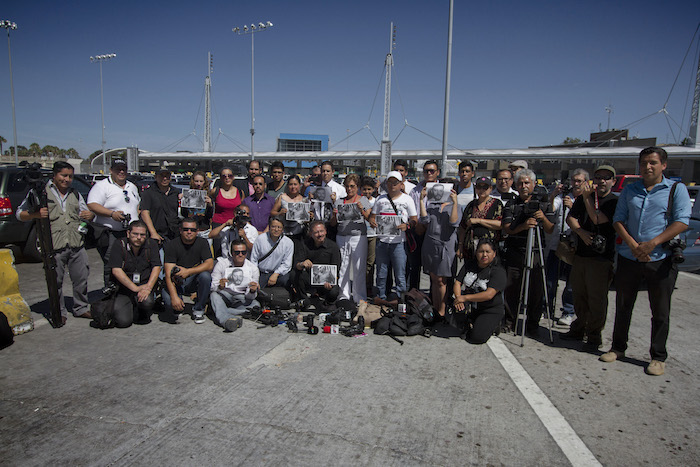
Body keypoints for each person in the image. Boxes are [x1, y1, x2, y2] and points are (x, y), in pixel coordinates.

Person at [601, 147, 691, 376]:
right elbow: (618, 219)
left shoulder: (675, 190)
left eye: (652, 162)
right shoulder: (631, 190)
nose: (647, 167)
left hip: (660, 258)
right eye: (643, 163)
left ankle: (658, 356)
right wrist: (633, 245)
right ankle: (618, 348)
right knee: (623, 305)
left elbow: (681, 222)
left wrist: (652, 243)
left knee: (660, 311)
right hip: (629, 257)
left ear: (663, 165)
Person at [16, 161, 95, 324]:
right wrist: (34, 215)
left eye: (70, 176)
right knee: (55, 280)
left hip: (76, 243)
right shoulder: (40, 192)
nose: (67, 179)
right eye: (64, 175)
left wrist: (90, 215)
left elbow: (84, 211)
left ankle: (81, 308)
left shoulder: (75, 193)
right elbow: (19, 214)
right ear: (55, 175)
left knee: (81, 277)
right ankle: (59, 311)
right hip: (54, 245)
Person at [561, 165, 618, 350]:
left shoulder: (612, 201)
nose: (601, 181)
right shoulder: (585, 198)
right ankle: (578, 328)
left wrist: (585, 198)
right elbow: (571, 217)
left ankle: (594, 335)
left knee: (597, 299)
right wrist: (580, 232)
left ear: (613, 181)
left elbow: (597, 219)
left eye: (606, 178)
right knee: (579, 295)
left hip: (601, 259)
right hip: (581, 255)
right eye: (598, 177)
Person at [502, 169, 555, 336]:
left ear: (533, 184)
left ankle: (532, 324)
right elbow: (507, 229)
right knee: (512, 288)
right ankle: (510, 321)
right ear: (516, 185)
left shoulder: (544, 203)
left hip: (536, 251)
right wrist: (523, 227)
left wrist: (542, 217)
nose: (524, 186)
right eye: (520, 183)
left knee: (535, 290)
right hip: (516, 251)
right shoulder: (511, 203)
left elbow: (550, 229)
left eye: (527, 183)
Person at [87, 159, 141, 285]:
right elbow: (92, 205)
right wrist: (112, 214)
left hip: (130, 233)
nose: (121, 172)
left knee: (130, 262)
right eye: (118, 169)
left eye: (124, 169)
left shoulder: (131, 186)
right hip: (111, 234)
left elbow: (137, 205)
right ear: (111, 170)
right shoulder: (102, 186)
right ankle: (110, 291)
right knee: (112, 263)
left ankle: (126, 291)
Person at [545, 169, 588, 326]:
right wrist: (553, 194)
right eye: (573, 180)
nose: (575, 184)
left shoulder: (587, 200)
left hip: (575, 246)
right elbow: (551, 209)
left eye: (579, 181)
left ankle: (568, 311)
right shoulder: (563, 197)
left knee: (571, 283)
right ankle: (546, 307)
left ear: (585, 183)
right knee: (550, 279)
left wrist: (574, 206)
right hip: (557, 244)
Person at [371, 171, 418, 302]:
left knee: (400, 275)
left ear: (401, 184)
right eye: (390, 182)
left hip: (399, 242)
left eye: (395, 182)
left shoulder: (407, 199)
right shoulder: (380, 199)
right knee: (381, 273)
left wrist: (407, 225)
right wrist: (372, 222)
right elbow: (372, 217)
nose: (392, 185)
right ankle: (381, 298)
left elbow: (414, 219)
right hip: (382, 242)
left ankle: (401, 299)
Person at [107, 220, 161, 327]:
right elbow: (116, 270)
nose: (139, 238)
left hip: (144, 285)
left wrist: (148, 288)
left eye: (142, 235)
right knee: (123, 322)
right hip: (124, 288)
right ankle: (129, 305)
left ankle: (141, 311)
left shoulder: (151, 245)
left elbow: (157, 267)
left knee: (147, 302)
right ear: (128, 233)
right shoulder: (119, 244)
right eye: (135, 234)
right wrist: (135, 288)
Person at [453, 239, 507, 344]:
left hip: (489, 309)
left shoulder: (499, 271)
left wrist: (464, 298)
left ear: (494, 254)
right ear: (476, 253)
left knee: (477, 338)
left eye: (488, 252)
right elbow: (457, 283)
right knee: (454, 311)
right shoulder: (469, 265)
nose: (484, 255)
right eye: (481, 251)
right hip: (472, 306)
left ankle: (493, 325)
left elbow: (489, 294)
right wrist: (458, 298)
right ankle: (469, 322)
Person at [419, 181, 460, 318]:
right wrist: (421, 200)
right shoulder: (432, 205)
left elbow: (454, 222)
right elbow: (424, 220)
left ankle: (442, 310)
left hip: (445, 245)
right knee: (434, 278)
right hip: (430, 243)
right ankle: (436, 308)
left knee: (442, 280)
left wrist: (454, 203)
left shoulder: (456, 206)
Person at [162, 218, 214, 324]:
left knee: (205, 276)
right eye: (186, 229)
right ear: (180, 230)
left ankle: (198, 310)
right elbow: (168, 274)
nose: (189, 232)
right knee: (170, 303)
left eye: (192, 230)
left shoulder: (203, 242)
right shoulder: (172, 245)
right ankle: (178, 304)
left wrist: (188, 271)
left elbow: (209, 265)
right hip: (176, 280)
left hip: (192, 279)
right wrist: (174, 297)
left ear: (197, 231)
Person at [331, 174, 371, 303]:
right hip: (341, 236)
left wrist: (362, 210)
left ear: (357, 187)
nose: (349, 189)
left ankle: (359, 297)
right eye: (347, 186)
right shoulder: (339, 201)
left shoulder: (363, 200)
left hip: (358, 237)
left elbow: (369, 219)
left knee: (359, 267)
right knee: (343, 267)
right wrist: (333, 215)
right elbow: (333, 223)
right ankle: (344, 295)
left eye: (352, 186)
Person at [210, 239, 260, 332]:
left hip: (241, 297)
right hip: (225, 294)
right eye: (237, 252)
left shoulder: (253, 268)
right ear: (231, 253)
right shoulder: (221, 264)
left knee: (256, 306)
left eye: (243, 252)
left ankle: (221, 310)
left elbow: (251, 297)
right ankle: (226, 320)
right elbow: (212, 287)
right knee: (214, 295)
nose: (240, 255)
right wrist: (220, 286)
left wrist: (253, 291)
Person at [408, 160, 441, 290]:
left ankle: (433, 298)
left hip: (434, 233)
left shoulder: (443, 190)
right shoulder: (415, 190)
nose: (429, 173)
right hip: (418, 231)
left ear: (437, 172)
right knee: (414, 266)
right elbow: (411, 211)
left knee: (433, 268)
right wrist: (417, 225)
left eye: (432, 171)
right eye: (426, 171)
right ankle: (413, 296)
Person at [293, 221, 341, 306]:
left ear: (325, 231)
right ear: (311, 233)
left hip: (325, 280)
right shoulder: (305, 244)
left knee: (334, 291)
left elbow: (336, 268)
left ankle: (327, 302)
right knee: (294, 274)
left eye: (321, 231)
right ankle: (304, 300)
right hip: (309, 278)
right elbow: (296, 264)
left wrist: (330, 281)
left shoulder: (333, 246)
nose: (320, 234)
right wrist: (302, 264)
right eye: (316, 232)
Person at [457, 176, 503, 261]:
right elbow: (463, 227)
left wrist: (479, 220)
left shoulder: (496, 204)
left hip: (489, 248)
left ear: (490, 188)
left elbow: (500, 224)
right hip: (471, 248)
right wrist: (460, 246)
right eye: (479, 187)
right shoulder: (471, 205)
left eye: (485, 187)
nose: (481, 190)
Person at [250, 216, 294, 289]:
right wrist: (255, 276)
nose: (276, 230)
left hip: (278, 273)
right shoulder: (260, 239)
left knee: (286, 280)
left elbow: (287, 264)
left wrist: (276, 274)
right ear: (269, 227)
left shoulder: (288, 243)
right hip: (261, 272)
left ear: (282, 229)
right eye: (273, 227)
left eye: (279, 227)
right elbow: (254, 259)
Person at [139, 168, 181, 245]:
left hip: (173, 235)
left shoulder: (176, 192)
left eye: (167, 176)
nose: (164, 178)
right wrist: (153, 233)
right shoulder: (148, 193)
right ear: (156, 177)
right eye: (161, 176)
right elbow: (144, 213)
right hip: (156, 235)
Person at [210, 167, 242, 258]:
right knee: (219, 254)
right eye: (224, 176)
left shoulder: (239, 192)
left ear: (233, 177)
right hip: (219, 225)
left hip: (234, 226)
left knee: (234, 253)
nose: (227, 178)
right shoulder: (215, 191)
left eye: (230, 175)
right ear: (220, 178)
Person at [271, 175, 309, 244]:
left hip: (298, 234)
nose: (293, 187)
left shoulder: (304, 200)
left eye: (295, 184)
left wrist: (308, 217)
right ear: (287, 185)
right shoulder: (282, 197)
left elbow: (306, 219)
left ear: (299, 185)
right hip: (283, 233)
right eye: (291, 184)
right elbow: (272, 212)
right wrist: (279, 213)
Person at [181, 171, 213, 237]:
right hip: (190, 230)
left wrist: (210, 205)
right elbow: (183, 214)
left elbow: (210, 216)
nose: (198, 184)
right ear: (193, 181)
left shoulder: (208, 195)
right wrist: (183, 201)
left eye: (201, 181)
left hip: (203, 230)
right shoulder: (187, 194)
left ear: (204, 182)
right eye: (196, 181)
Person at [361, 176, 378, 297]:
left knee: (370, 262)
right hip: (361, 234)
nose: (367, 192)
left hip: (373, 235)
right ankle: (362, 284)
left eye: (369, 189)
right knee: (361, 262)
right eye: (364, 189)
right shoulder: (359, 200)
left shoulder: (377, 201)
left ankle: (369, 285)